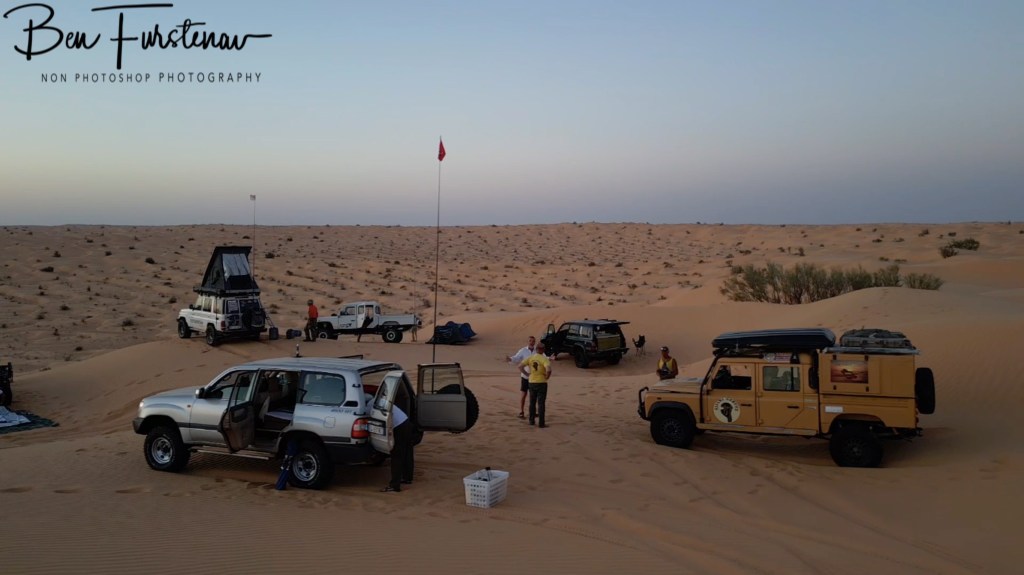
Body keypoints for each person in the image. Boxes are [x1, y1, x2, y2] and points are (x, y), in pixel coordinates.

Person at [382, 403, 414, 492]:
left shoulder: (370, 404)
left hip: (399, 427)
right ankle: (407, 477)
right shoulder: (382, 400)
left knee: (396, 455)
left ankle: (395, 485)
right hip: (406, 422)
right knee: (407, 452)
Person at [519, 341, 552, 428]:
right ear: (542, 350)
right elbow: (548, 369)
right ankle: (541, 423)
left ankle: (531, 421)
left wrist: (526, 374)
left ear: (536, 349)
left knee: (532, 402)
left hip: (532, 382)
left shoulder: (531, 358)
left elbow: (520, 366)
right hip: (541, 382)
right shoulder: (544, 359)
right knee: (541, 403)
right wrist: (547, 377)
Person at [506, 336, 537, 418]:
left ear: (535, 342)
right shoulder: (523, 350)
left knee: (533, 395)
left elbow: (543, 357)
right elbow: (516, 358)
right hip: (525, 377)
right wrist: (510, 359)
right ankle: (521, 411)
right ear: (528, 342)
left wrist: (550, 358)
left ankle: (533, 411)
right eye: (530, 341)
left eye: (533, 341)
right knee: (524, 394)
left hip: (534, 377)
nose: (531, 342)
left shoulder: (536, 351)